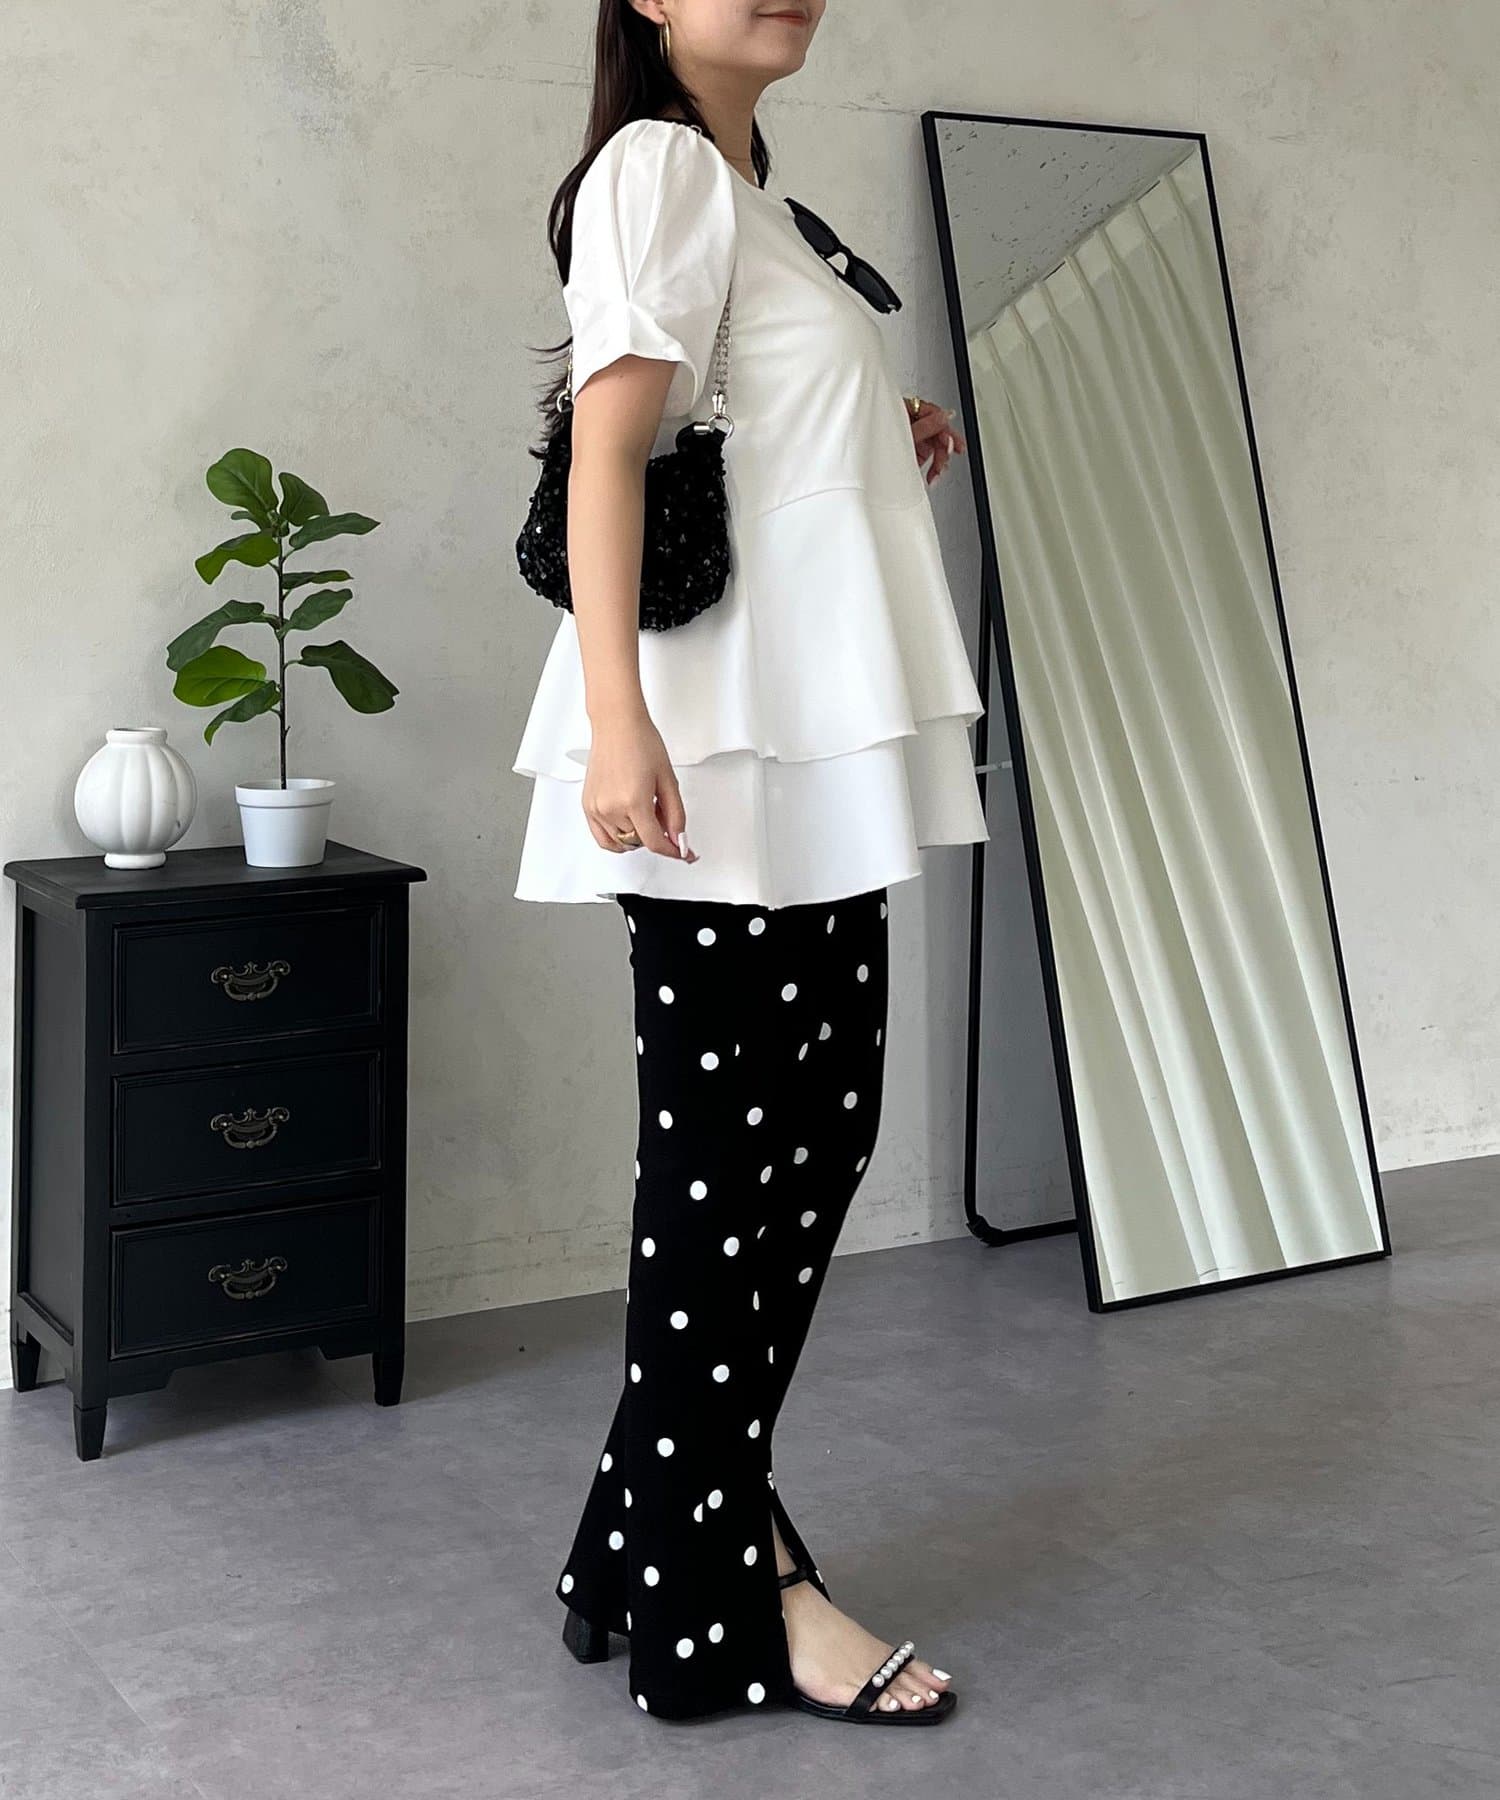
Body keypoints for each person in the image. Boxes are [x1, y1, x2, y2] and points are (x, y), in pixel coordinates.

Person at [511, 0, 985, 1726]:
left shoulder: (754, 196)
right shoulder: (653, 165)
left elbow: (734, 432)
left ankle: (626, 1550)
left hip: (790, 747)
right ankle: (735, 1600)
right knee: (732, 1177)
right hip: (715, 753)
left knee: (807, 1141)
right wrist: (616, 723)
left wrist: (870, 433)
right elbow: (611, 450)